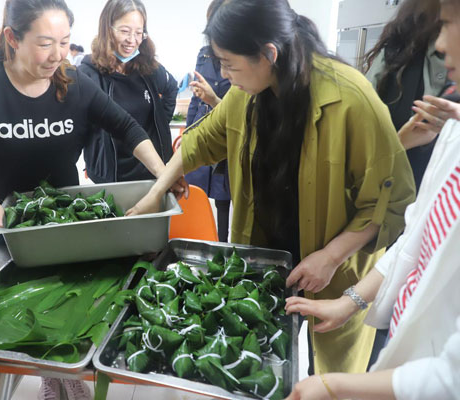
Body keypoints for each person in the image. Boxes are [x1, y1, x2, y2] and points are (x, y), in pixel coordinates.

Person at [127, 0, 416, 375]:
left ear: (268, 54)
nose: (223, 74)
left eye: (229, 64)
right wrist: (155, 195)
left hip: (336, 265)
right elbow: (200, 141)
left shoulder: (351, 99)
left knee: (331, 376)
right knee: (260, 360)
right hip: (268, 255)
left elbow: (390, 203)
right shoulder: (245, 92)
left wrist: (330, 257)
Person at [284, 2, 460, 398]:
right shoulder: (452, 133)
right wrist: (349, 302)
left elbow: (451, 377)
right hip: (408, 337)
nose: (440, 44)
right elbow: (414, 240)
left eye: (449, 25)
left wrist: (335, 386)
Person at [0, 0, 168, 238]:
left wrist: (163, 175)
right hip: (11, 225)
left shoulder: (74, 82)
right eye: (45, 44)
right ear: (12, 38)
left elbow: (126, 127)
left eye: (64, 42)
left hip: (67, 219)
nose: (57, 55)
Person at [364, 0, 460, 189]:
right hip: (398, 187)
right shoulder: (395, 57)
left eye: (447, 24)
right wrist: (399, 144)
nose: (440, 45)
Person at [78, 0, 177, 183]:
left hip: (152, 169)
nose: (132, 40)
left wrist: (161, 123)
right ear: (107, 29)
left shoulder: (148, 67)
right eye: (124, 31)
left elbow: (171, 88)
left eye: (139, 33)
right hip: (111, 175)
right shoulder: (88, 73)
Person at [184, 0, 231, 242]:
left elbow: (237, 108)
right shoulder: (203, 54)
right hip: (202, 125)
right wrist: (187, 132)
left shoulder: (238, 55)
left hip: (225, 132)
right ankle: (198, 240)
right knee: (196, 193)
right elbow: (195, 97)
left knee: (223, 197)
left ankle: (222, 243)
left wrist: (213, 98)